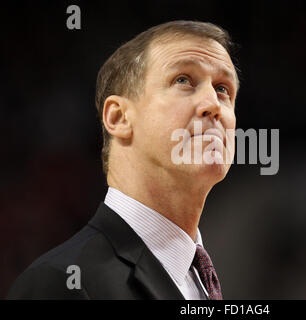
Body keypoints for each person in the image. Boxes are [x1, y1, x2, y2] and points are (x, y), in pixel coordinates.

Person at [7, 20, 239, 300]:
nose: (213, 103)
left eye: (223, 89)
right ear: (119, 117)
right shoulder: (59, 283)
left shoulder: (202, 280)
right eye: (183, 80)